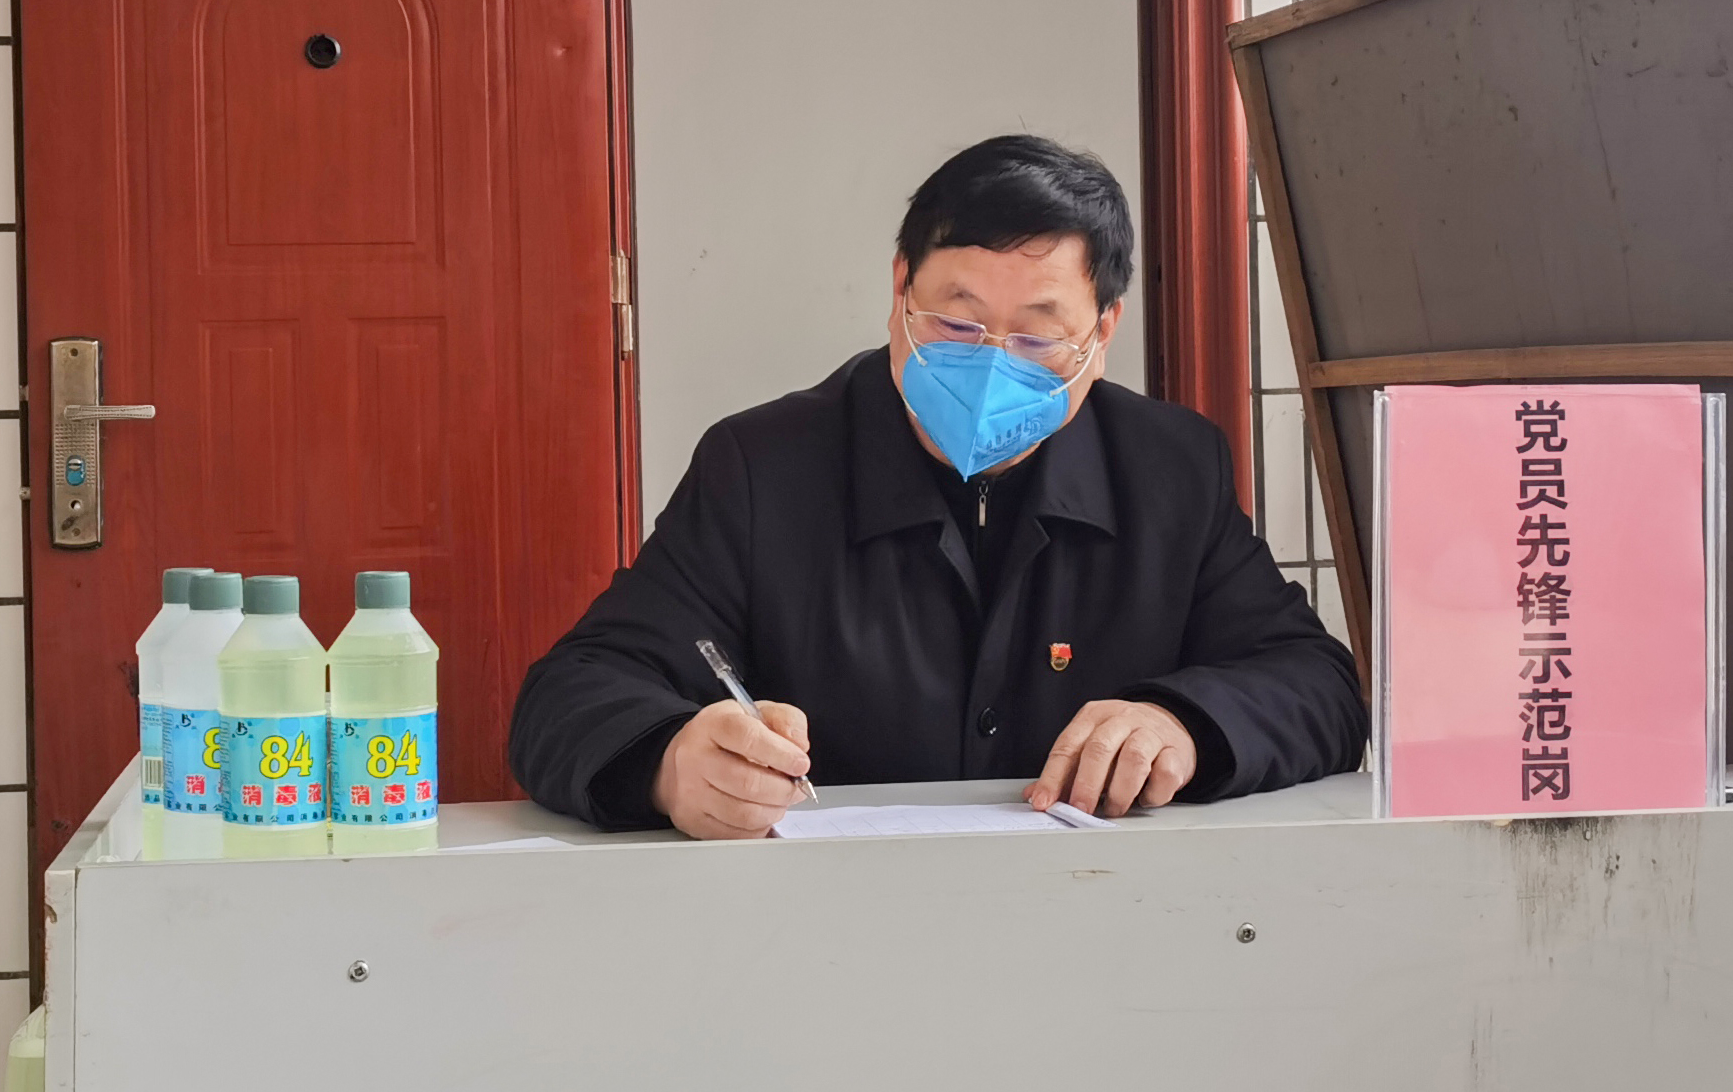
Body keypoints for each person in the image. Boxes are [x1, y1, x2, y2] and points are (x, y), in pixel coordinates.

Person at [509, 135, 1366, 838]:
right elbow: (570, 694)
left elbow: (1317, 685)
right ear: (899, 290)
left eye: (1037, 337)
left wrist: (1184, 725)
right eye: (957, 322)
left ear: (1103, 331)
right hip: (827, 928)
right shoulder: (764, 468)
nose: (990, 365)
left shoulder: (1169, 469)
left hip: (1103, 917)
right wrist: (670, 764)